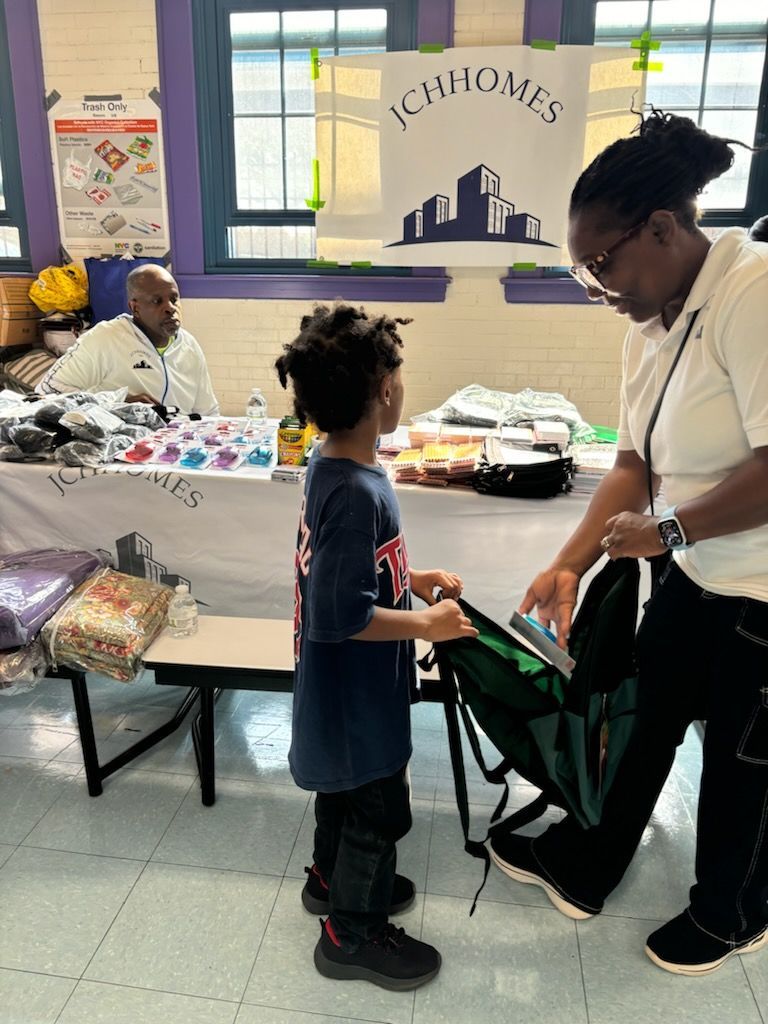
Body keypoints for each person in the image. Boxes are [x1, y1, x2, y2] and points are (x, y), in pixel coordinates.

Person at [489, 111, 768, 977]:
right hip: (692, 572)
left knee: (742, 760)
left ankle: (734, 912)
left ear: (662, 227)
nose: (598, 285)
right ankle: (587, 863)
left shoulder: (753, 292)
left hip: (758, 588)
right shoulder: (649, 329)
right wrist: (566, 562)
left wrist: (671, 528)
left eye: (602, 263)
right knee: (638, 723)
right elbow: (633, 466)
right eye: (583, 272)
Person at [275, 303, 478, 991]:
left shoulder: (332, 467)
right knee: (378, 811)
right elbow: (340, 612)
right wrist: (427, 625)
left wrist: (412, 580)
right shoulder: (357, 491)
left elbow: (349, 572)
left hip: (339, 693)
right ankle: (350, 934)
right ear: (385, 390)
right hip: (353, 699)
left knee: (343, 797)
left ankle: (331, 881)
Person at [37, 264, 219, 414]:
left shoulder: (189, 346)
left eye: (174, 299)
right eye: (157, 301)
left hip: (172, 449)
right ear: (135, 307)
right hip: (121, 448)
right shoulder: (105, 338)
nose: (170, 308)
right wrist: (116, 402)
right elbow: (48, 392)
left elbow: (207, 411)